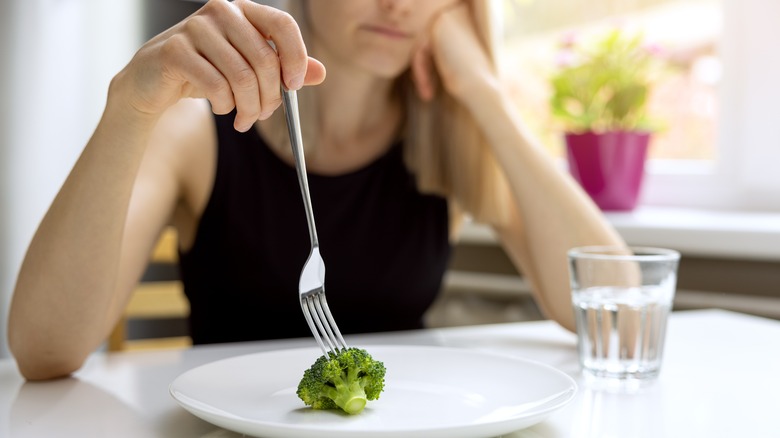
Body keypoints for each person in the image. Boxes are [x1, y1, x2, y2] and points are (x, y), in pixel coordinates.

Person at [8, 0, 624, 380]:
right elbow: (44, 351)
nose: (399, 3)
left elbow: (616, 316)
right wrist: (130, 107)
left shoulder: (450, 140)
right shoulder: (198, 130)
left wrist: (484, 91)